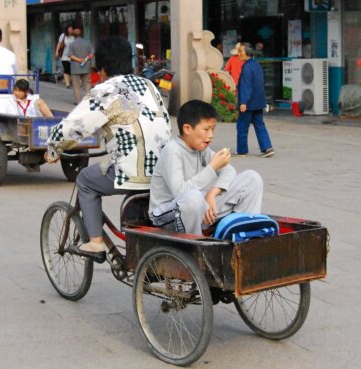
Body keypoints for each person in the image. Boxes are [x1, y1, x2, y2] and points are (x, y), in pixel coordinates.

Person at [45, 36, 172, 262]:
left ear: (102, 69)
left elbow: (75, 126)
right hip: (165, 168)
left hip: (133, 170)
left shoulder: (105, 90)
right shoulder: (149, 85)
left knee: (85, 179)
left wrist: (53, 148)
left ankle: (95, 243)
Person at [149, 100, 263, 235]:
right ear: (187, 129)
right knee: (193, 197)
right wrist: (212, 168)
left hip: (198, 209)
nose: (211, 135)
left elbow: (229, 170)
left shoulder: (201, 148)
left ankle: (242, 235)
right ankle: (196, 247)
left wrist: (212, 193)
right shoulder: (173, 151)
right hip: (167, 217)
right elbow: (180, 192)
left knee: (252, 179)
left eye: (213, 129)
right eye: (206, 129)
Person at [236, 43, 275, 157]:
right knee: (259, 125)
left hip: (249, 103)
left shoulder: (247, 67)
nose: (238, 54)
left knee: (242, 126)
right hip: (258, 102)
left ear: (247, 53)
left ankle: (242, 150)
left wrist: (243, 102)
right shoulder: (256, 64)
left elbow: (246, 86)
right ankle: (267, 148)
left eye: (240, 51)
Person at [68, 28, 93, 104]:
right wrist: (85, 59)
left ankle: (78, 101)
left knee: (76, 85)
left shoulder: (72, 44)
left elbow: (70, 55)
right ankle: (88, 101)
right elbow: (91, 54)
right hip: (86, 66)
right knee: (87, 83)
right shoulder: (87, 43)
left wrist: (79, 60)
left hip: (75, 68)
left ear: (73, 36)